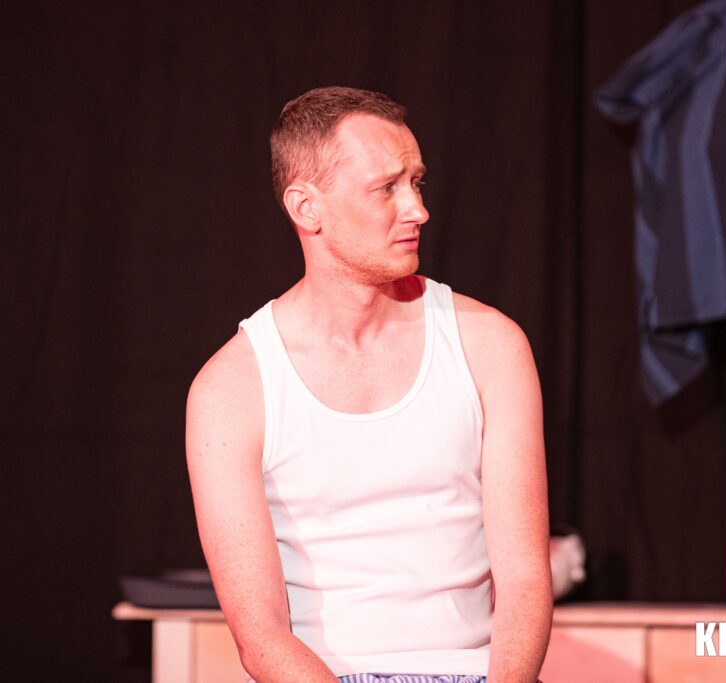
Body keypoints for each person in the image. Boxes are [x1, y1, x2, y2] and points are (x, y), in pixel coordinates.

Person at [186, 86, 551, 683]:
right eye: (386, 188)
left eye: (416, 183)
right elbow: (260, 635)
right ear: (307, 208)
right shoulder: (231, 388)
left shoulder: (490, 344)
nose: (417, 210)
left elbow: (526, 579)